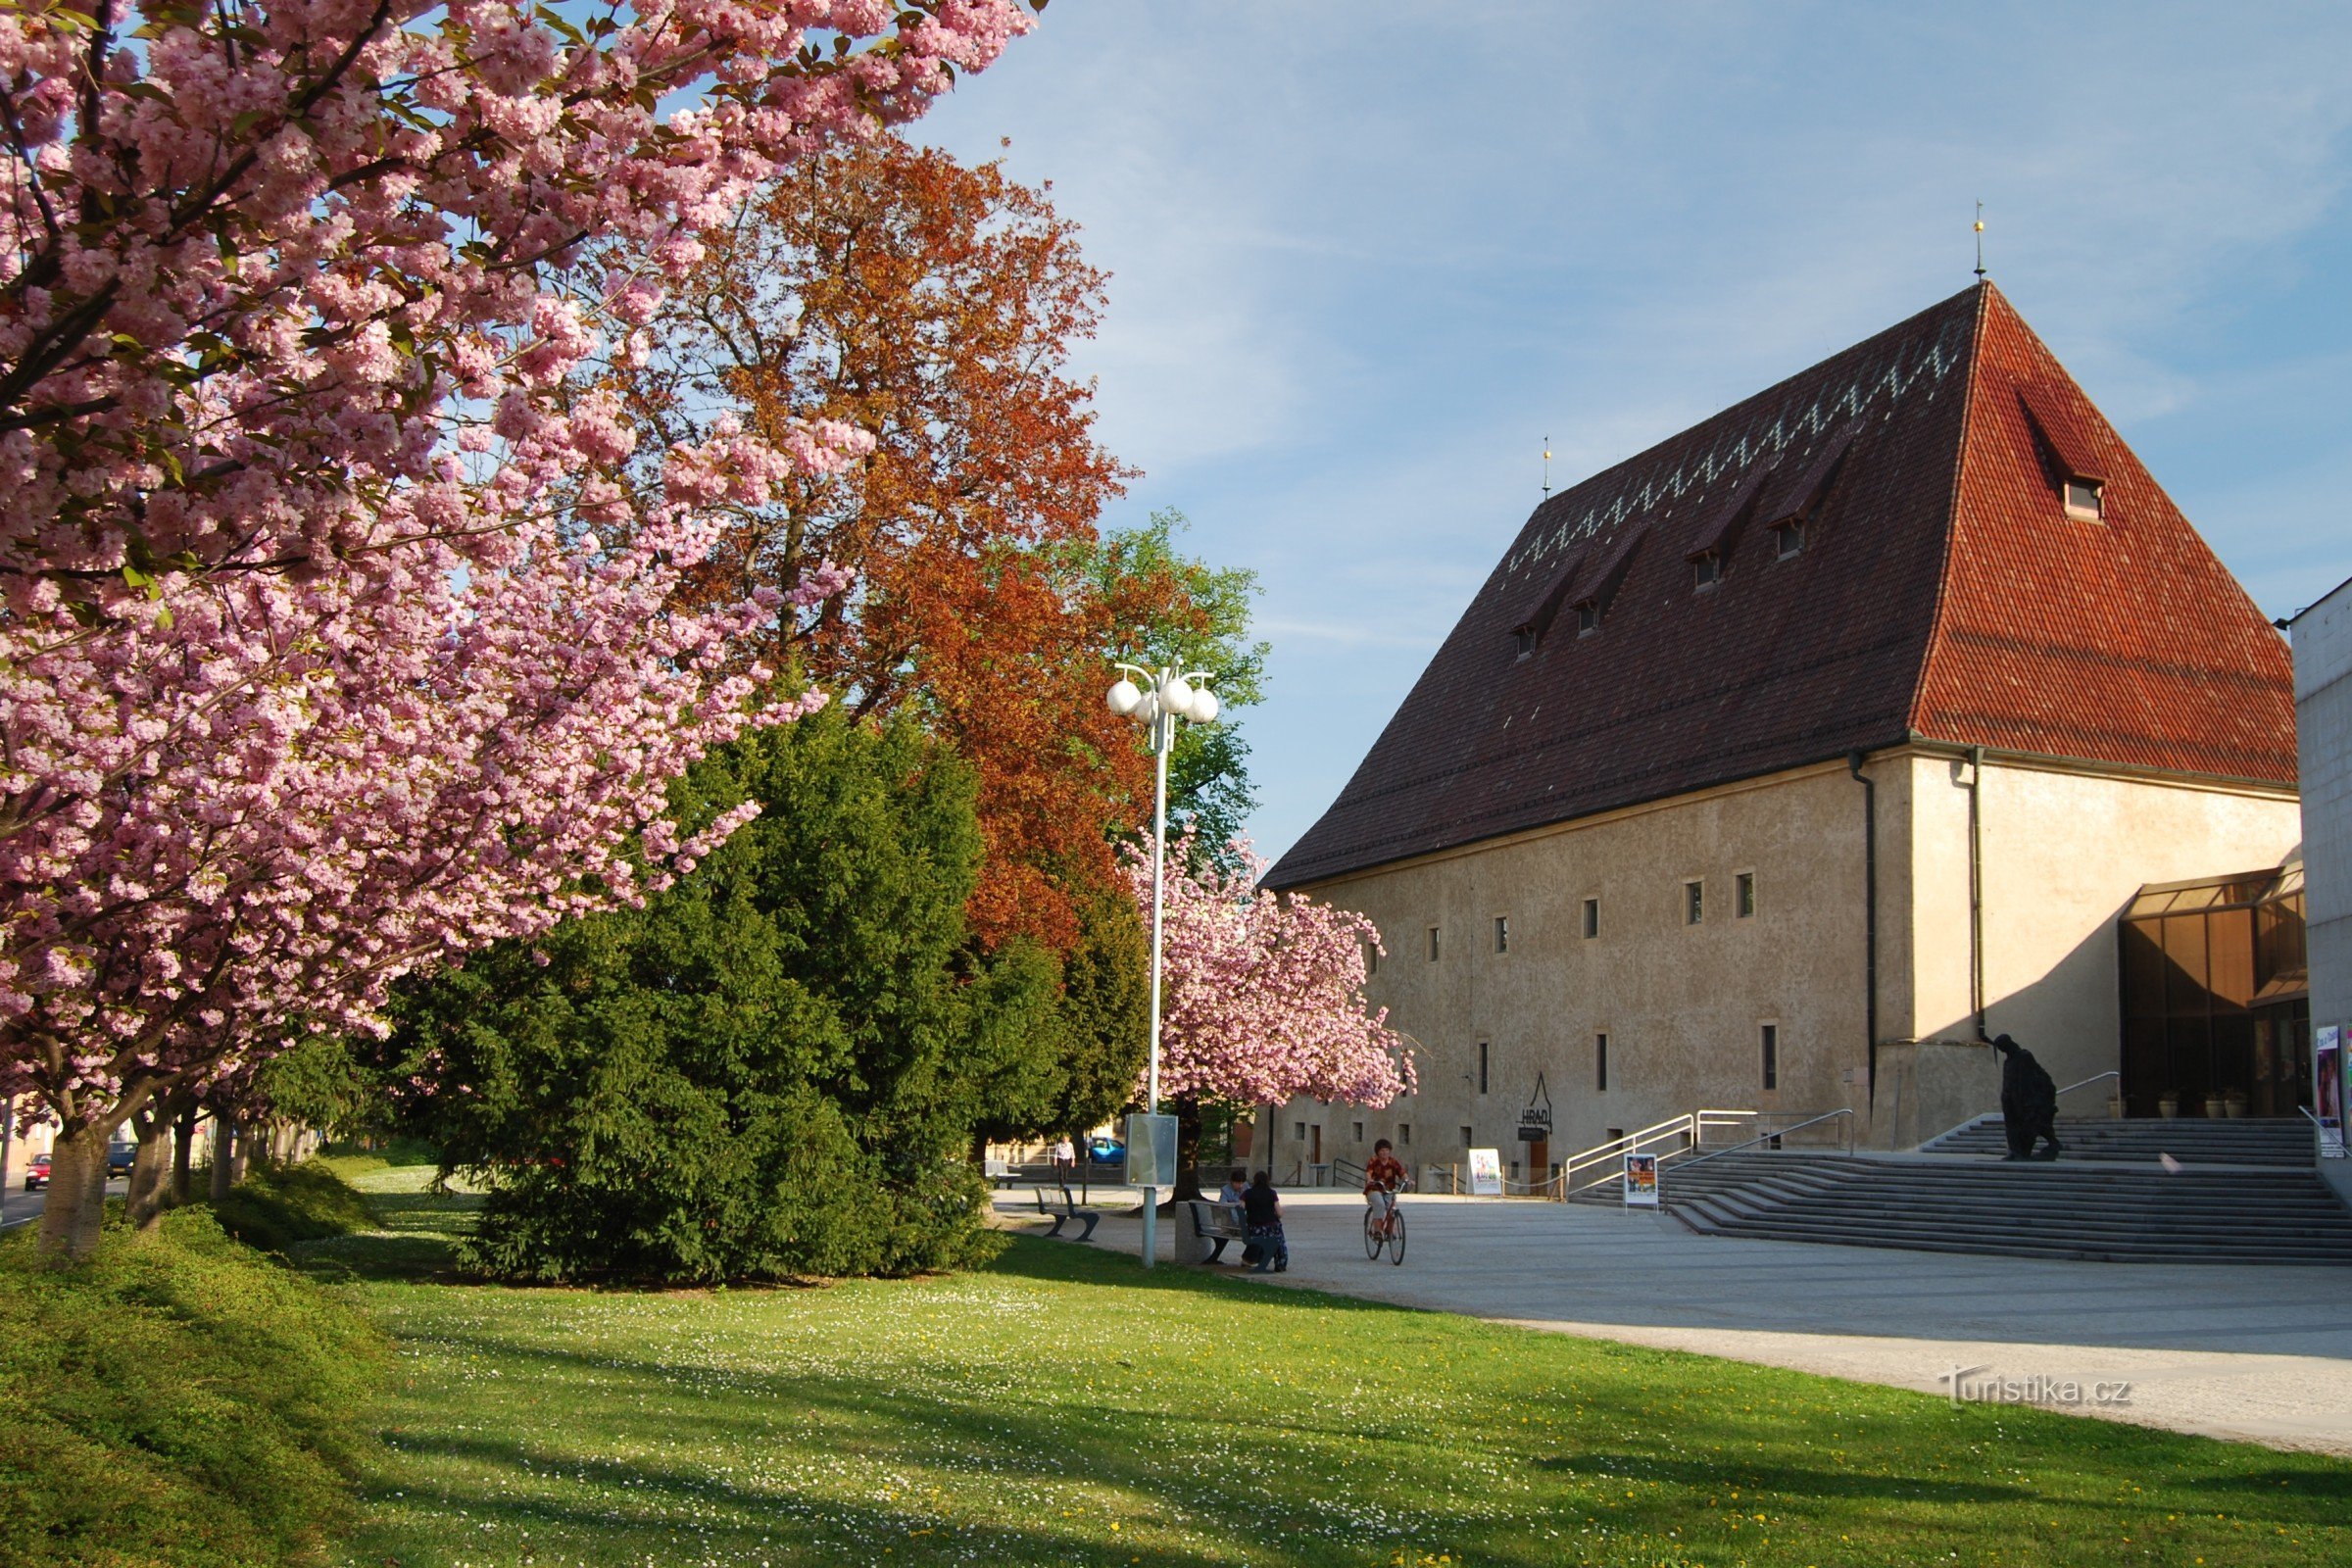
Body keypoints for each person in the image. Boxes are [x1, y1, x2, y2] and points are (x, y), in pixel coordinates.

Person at [1994, 1035, 2062, 1160]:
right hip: (2010, 1100)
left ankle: (2050, 1145)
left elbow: (2028, 1080)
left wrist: (2030, 1101)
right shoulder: (2008, 1062)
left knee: (2033, 1125)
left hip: (2025, 1100)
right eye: (1999, 1048)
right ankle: (2015, 1151)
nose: (2001, 1050)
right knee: (2012, 1127)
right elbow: (2007, 1082)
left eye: (2002, 1047)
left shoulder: (2024, 1057)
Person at [1242, 1169, 1288, 1273]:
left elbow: (1241, 1209)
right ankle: (1280, 1264)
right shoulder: (1272, 1193)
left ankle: (1250, 1259)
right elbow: (1279, 1213)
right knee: (1279, 1240)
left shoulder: (1247, 1193)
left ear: (1255, 1181)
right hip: (1272, 1226)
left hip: (1255, 1227)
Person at [1363, 1137, 1405, 1241]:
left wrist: (1408, 1180)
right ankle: (1377, 1231)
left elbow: (1401, 1172)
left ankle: (1389, 1231)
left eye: (1387, 1150)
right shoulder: (1373, 1161)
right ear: (1378, 1152)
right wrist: (1369, 1179)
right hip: (1374, 1189)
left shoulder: (1393, 1162)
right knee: (1380, 1204)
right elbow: (1368, 1172)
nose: (1384, 1153)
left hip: (1388, 1190)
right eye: (1382, 1150)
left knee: (1392, 1209)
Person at [1206, 1168, 1248, 1264]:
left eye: (1242, 1183)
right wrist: (1237, 1204)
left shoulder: (1246, 1187)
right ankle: (1248, 1259)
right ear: (1232, 1182)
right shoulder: (1226, 1189)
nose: (1240, 1186)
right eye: (1237, 1183)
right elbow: (1222, 1204)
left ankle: (1248, 1258)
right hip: (1231, 1224)